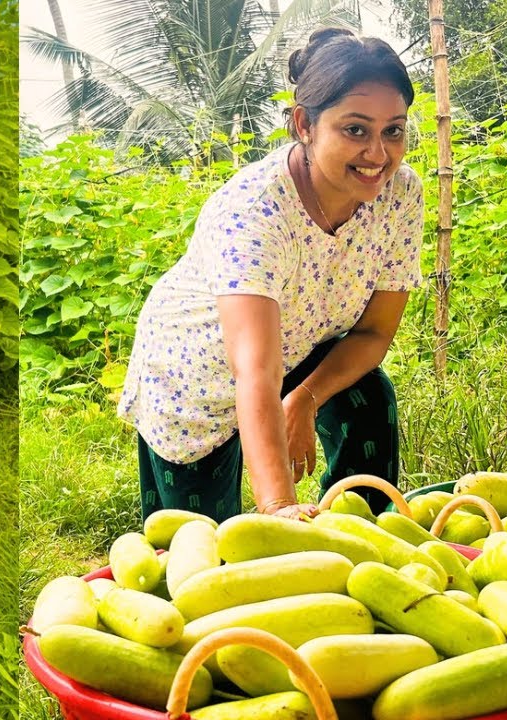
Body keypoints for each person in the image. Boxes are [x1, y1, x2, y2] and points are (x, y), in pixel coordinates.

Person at [118, 27, 422, 524]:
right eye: (355, 130)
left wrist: (305, 397)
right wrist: (280, 509)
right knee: (199, 543)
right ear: (304, 124)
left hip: (297, 348)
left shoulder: (399, 193)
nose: (378, 155)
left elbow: (373, 332)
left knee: (367, 395)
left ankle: (365, 536)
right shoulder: (254, 212)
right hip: (195, 369)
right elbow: (255, 373)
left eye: (393, 130)